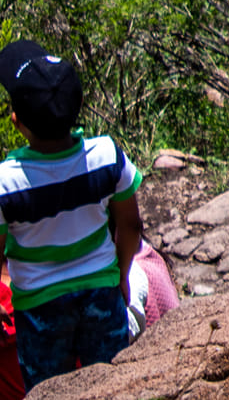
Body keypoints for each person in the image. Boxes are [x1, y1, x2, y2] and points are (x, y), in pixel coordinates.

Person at [0, 40, 143, 390]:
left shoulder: (6, 181)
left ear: (16, 121)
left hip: (38, 306)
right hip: (101, 291)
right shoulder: (107, 156)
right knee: (110, 384)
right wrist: (121, 275)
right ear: (79, 106)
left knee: (49, 389)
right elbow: (131, 225)